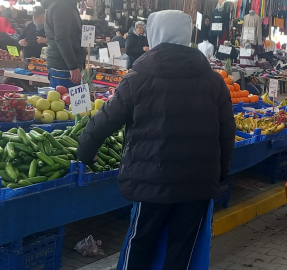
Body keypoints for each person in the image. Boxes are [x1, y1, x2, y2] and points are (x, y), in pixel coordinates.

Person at [77, 10, 236, 269]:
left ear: (155, 33)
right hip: (197, 182)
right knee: (181, 248)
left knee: (141, 242)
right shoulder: (213, 81)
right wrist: (221, 174)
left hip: (152, 180)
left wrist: (85, 150)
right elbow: (226, 132)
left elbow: (105, 120)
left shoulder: (138, 78)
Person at [42, 0, 86, 88]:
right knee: (64, 100)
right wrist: (73, 67)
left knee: (62, 100)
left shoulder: (64, 5)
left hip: (62, 65)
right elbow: (62, 38)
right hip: (63, 67)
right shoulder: (62, 6)